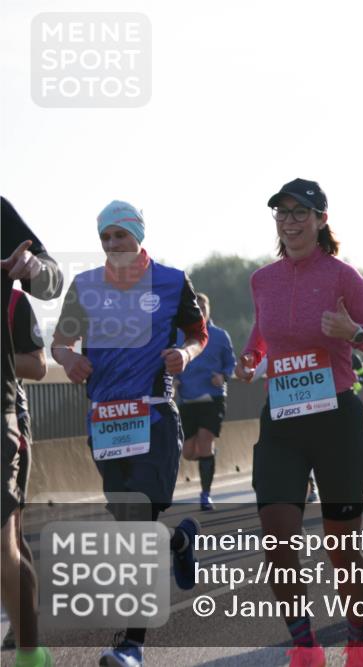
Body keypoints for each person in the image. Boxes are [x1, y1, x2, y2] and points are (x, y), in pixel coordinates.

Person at [235, 178, 363, 667]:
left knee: (341, 546)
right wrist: (250, 357)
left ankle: (358, 641)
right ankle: (305, 646)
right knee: (277, 539)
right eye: (282, 213)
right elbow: (262, 333)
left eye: (300, 212)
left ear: (321, 220)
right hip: (282, 422)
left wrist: (354, 332)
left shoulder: (342, 276)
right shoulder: (262, 279)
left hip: (336, 423)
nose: (290, 222)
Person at [51, 200, 205, 666]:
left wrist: (187, 355)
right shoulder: (85, 286)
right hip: (106, 423)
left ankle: (130, 645)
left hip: (154, 418)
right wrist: (69, 359)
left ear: (138, 235)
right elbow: (60, 342)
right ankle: (179, 541)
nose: (112, 244)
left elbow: (198, 333)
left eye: (120, 234)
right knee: (134, 527)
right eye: (105, 237)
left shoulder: (172, 281)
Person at [2, 198, 62, 667]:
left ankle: (28, 651)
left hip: (5, 412)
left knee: (7, 538)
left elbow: (51, 278)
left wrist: (34, 270)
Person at [1, 287, 48, 659]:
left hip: (8, 425)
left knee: (8, 538)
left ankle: (29, 643)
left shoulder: (13, 301)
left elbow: (38, 366)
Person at [176, 292, 235, 511]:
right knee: (188, 452)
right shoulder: (180, 335)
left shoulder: (220, 335)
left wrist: (223, 376)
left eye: (203, 308)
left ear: (209, 310)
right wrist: (174, 380)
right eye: (196, 308)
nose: (200, 311)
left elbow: (230, 364)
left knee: (204, 442)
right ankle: (208, 455)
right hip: (187, 399)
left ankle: (205, 494)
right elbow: (170, 362)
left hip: (213, 398)